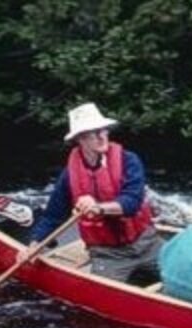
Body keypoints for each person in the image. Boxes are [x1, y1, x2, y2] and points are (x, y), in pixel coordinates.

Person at [25, 103, 160, 284]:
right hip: (108, 254)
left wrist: (97, 208)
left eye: (103, 130)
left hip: (147, 244)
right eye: (93, 132)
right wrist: (33, 245)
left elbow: (131, 202)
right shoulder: (69, 175)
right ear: (80, 139)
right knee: (110, 297)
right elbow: (53, 215)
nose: (101, 136)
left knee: (183, 276)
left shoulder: (129, 160)